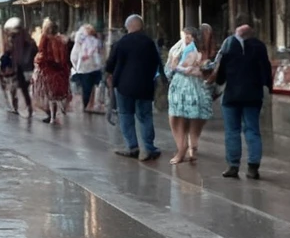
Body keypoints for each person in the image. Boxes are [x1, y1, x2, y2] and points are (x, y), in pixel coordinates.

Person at [212, 14, 274, 179]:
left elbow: (221, 73)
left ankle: (233, 166)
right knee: (252, 130)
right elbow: (266, 71)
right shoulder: (259, 46)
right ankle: (253, 167)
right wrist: (267, 88)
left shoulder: (229, 45)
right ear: (252, 28)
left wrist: (218, 83)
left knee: (232, 131)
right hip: (253, 96)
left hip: (231, 96)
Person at [104, 14, 162, 160]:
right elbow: (157, 62)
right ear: (141, 26)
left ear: (128, 26)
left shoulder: (121, 43)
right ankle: (149, 148)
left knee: (125, 115)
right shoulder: (149, 42)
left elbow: (110, 65)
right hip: (145, 85)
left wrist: (110, 77)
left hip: (124, 86)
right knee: (145, 116)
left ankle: (132, 147)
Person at [165, 26, 213, 165]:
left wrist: (175, 65)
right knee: (194, 116)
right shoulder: (202, 50)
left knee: (177, 117)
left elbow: (175, 68)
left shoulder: (183, 49)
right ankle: (192, 147)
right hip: (198, 85)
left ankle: (182, 149)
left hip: (183, 85)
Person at [32, 17, 71, 124]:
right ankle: (55, 114)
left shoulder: (45, 38)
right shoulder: (61, 39)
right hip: (60, 70)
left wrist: (38, 61)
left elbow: (41, 52)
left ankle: (52, 116)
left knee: (48, 95)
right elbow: (64, 56)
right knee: (56, 94)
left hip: (48, 69)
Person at [0, 18, 36, 116]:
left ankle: (22, 107)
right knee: (24, 89)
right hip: (28, 68)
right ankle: (27, 107)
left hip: (20, 67)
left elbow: (9, 51)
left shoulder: (15, 39)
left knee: (20, 88)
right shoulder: (28, 39)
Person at [69, 23, 104, 113]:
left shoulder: (81, 41)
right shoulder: (91, 41)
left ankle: (88, 105)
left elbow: (74, 55)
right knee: (89, 88)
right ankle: (88, 105)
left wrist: (76, 66)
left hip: (85, 69)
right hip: (90, 68)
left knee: (88, 88)